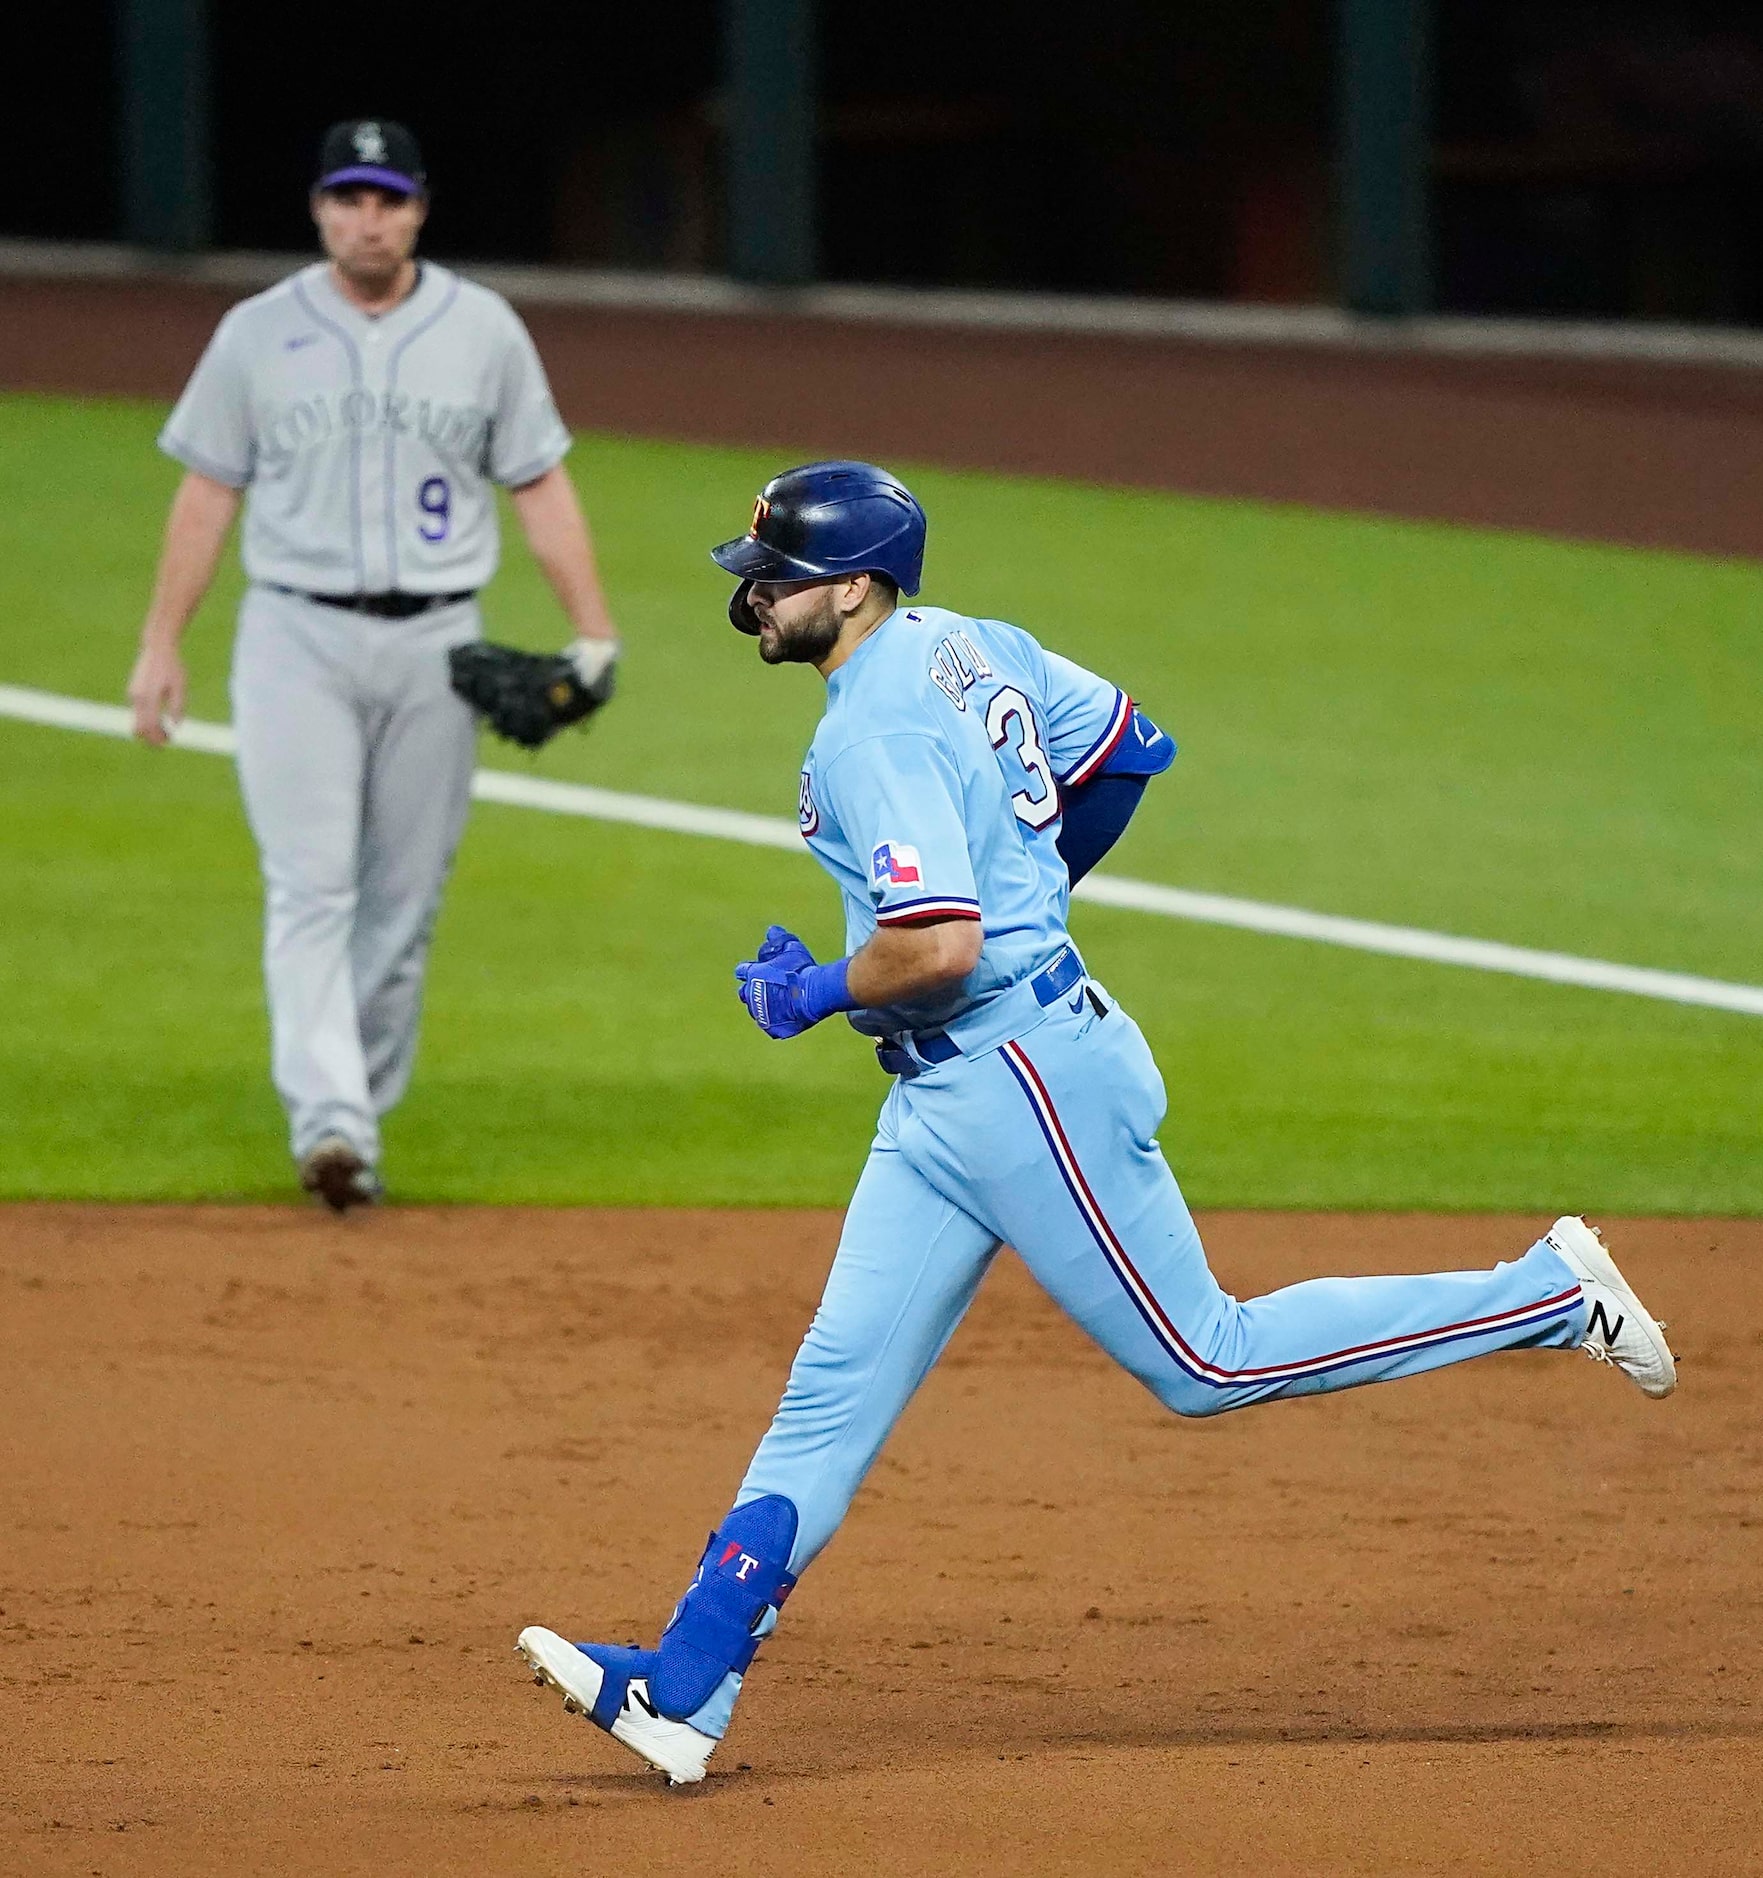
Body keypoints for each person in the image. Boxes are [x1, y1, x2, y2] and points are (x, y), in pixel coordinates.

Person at [515, 461, 1674, 1784]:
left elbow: (939, 942)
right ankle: (682, 1685)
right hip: (949, 1094)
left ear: (850, 585)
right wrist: (1029, 885)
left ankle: (1543, 1295)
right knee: (830, 1390)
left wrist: (817, 990)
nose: (752, 597)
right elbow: (1126, 744)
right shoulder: (969, 644)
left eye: (773, 578)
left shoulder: (872, 727)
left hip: (1020, 1076)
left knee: (1204, 1357)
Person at [126, 119, 619, 1210]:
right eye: (348, 198)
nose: (367, 217)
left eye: (387, 198)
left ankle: (356, 1121)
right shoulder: (255, 333)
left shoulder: (483, 329)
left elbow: (538, 483)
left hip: (440, 640)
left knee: (404, 902)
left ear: (419, 208)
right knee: (310, 887)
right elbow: (207, 490)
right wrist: (162, 644)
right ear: (317, 208)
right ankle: (333, 1124)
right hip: (293, 636)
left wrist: (595, 632)